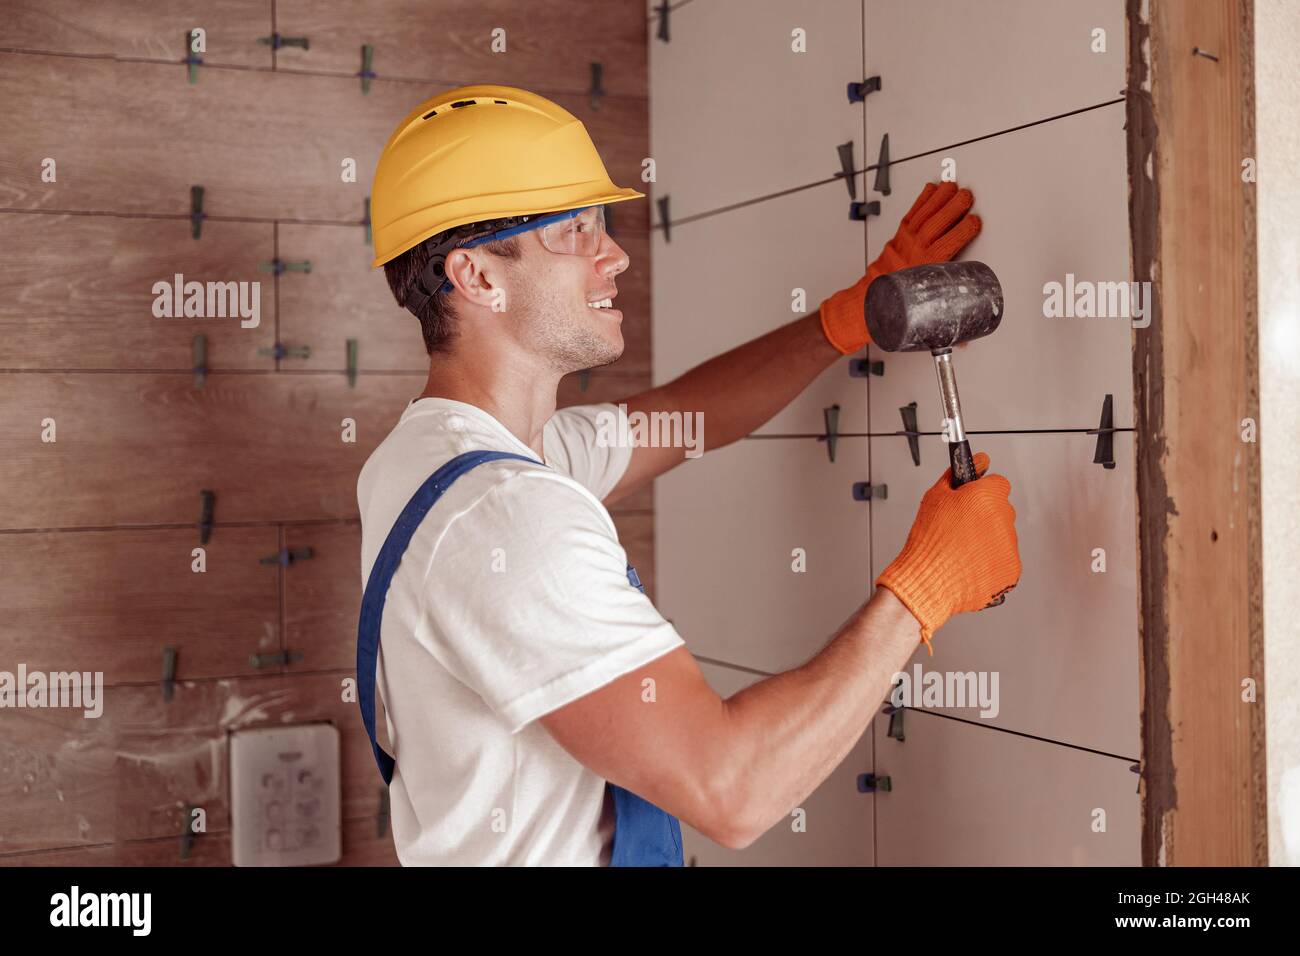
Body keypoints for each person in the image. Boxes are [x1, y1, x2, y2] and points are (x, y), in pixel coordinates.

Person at [356, 84, 1021, 866]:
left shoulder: (447, 456)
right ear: (476, 277)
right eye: (574, 232)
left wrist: (842, 320)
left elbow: (685, 416)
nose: (615, 255)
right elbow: (731, 789)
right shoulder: (506, 517)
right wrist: (923, 590)